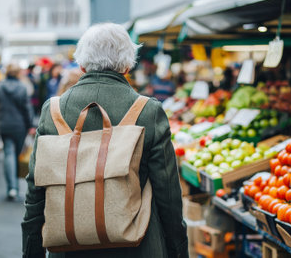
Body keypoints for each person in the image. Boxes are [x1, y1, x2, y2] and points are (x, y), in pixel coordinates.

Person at [22, 23, 188, 258]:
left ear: (81, 64)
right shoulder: (148, 111)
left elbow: (35, 193)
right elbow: (168, 194)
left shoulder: (53, 111)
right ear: (128, 65)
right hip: (136, 247)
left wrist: (31, 253)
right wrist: (178, 250)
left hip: (68, 246)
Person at [0, 63, 32, 200]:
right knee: (17, 153)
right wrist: (30, 125)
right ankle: (16, 187)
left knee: (8, 153)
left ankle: (11, 187)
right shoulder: (22, 88)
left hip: (4, 125)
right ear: (18, 73)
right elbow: (27, 109)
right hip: (20, 126)